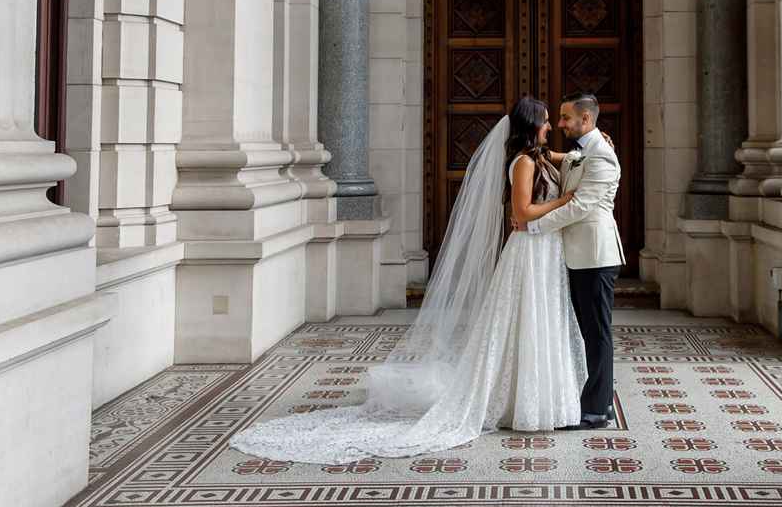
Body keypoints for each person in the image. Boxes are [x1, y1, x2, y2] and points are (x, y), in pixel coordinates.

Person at [228, 97, 587, 464]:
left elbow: (573, 158)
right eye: (545, 121)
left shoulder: (542, 157)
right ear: (531, 126)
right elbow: (522, 213)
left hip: (545, 252)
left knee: (540, 322)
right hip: (528, 251)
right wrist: (566, 201)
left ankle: (536, 399)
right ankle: (517, 402)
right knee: (522, 321)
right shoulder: (524, 163)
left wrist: (592, 145)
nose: (550, 127)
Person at [515, 92, 624, 430]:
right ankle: (599, 400)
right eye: (555, 119)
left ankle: (595, 410)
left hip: (595, 254)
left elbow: (579, 207)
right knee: (587, 330)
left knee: (598, 333)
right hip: (578, 255)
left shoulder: (602, 156)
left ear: (586, 120)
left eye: (565, 118)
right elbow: (558, 157)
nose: (559, 124)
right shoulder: (585, 151)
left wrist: (532, 225)